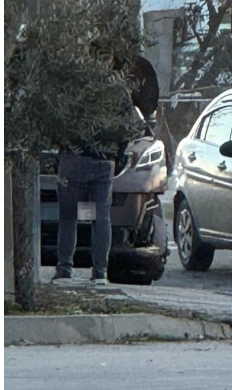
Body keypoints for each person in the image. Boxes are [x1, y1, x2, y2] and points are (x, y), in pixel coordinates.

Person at [51, 54, 159, 285]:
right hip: (103, 163)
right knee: (100, 218)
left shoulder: (74, 87)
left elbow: (58, 121)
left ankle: (64, 270)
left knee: (69, 216)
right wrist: (116, 155)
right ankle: (99, 272)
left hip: (74, 160)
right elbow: (129, 127)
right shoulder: (117, 90)